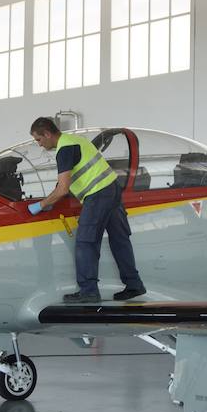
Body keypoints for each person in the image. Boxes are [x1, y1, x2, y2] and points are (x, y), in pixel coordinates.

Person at [26, 117, 146, 304]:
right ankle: (134, 284)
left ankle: (88, 291)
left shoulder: (64, 149)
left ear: (47, 134)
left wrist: (41, 205)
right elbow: (66, 181)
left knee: (85, 242)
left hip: (97, 194)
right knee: (119, 239)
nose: (39, 145)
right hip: (112, 188)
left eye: (39, 140)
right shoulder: (76, 141)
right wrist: (53, 196)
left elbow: (63, 189)